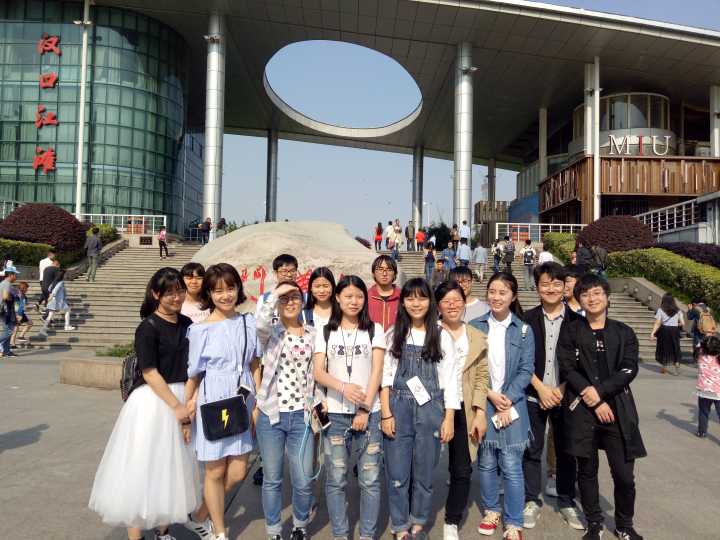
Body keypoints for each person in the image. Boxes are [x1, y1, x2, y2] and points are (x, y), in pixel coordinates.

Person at [89, 268, 200, 540]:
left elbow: (194, 367)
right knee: (142, 467)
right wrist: (177, 407)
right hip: (154, 402)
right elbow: (150, 372)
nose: (177, 297)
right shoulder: (148, 327)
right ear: (156, 294)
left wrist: (189, 402)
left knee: (172, 469)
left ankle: (163, 530)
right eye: (170, 292)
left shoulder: (188, 324)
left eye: (180, 290)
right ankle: (135, 534)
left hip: (182, 397)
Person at [558, 274, 646, 540]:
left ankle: (624, 524)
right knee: (587, 471)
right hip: (583, 410)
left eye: (597, 292)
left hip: (618, 410)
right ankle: (594, 522)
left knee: (624, 475)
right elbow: (567, 367)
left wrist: (601, 393)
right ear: (579, 299)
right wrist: (593, 398)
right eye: (585, 294)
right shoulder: (571, 330)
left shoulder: (624, 332)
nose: (591, 298)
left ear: (607, 296)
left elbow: (629, 368)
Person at [184, 264, 260, 540]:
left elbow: (255, 363)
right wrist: (186, 411)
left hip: (242, 398)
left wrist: (257, 402)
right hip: (213, 399)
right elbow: (194, 374)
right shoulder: (199, 330)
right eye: (218, 291)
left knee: (238, 471)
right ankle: (218, 530)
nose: (225, 295)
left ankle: (200, 515)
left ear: (238, 289)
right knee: (215, 470)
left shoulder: (248, 322)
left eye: (230, 288)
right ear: (209, 294)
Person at [381, 278, 460, 540]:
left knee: (425, 473)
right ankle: (400, 525)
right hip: (398, 408)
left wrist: (449, 418)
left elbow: (451, 380)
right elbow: (385, 377)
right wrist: (386, 413)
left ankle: (418, 523)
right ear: (403, 302)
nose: (416, 303)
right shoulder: (394, 334)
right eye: (410, 298)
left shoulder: (442, 335)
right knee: (397, 473)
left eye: (422, 297)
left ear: (430, 302)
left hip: (431, 409)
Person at [313, 275, 385, 540]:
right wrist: (343, 387)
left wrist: (364, 409)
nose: (354, 301)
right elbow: (318, 372)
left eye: (359, 296)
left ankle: (367, 534)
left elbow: (377, 372)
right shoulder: (325, 331)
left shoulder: (374, 329)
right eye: (348, 296)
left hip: (369, 414)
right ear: (338, 298)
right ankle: (340, 534)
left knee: (370, 479)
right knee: (336, 479)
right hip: (335, 414)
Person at [469, 273, 534, 540]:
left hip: (512, 405)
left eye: (503, 292)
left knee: (511, 464)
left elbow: (526, 369)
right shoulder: (475, 326)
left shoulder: (524, 330)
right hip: (484, 403)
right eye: (492, 291)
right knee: (485, 462)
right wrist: (491, 396)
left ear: (513, 296)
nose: (496, 297)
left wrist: (506, 398)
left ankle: (514, 521)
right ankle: (491, 511)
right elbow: (470, 370)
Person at [253, 281, 319, 540]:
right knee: (272, 479)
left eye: (295, 297)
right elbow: (260, 322)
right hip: (272, 414)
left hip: (302, 416)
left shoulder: (314, 334)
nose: (290, 302)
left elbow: (320, 371)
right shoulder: (271, 333)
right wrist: (275, 293)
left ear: (303, 302)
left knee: (303, 479)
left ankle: (300, 525)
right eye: (284, 298)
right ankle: (274, 531)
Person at [521, 263, 583, 531]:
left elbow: (582, 363)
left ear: (565, 287)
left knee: (566, 450)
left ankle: (566, 500)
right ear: (537, 287)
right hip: (534, 395)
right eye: (545, 284)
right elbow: (520, 360)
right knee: (532, 450)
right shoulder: (526, 319)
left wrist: (560, 389)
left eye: (557, 283)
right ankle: (531, 499)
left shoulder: (577, 321)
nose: (551, 289)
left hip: (565, 396)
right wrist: (541, 389)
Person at [436, 281, 489, 540]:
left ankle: (452, 519)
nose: (452, 305)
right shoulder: (428, 333)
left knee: (462, 467)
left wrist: (480, 412)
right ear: (438, 306)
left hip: (464, 407)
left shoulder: (476, 336)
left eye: (457, 300)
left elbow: (481, 377)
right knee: (419, 464)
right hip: (433, 406)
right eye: (446, 301)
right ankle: (413, 516)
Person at [255, 254, 300, 324]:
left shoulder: (305, 297)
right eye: (284, 271)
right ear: (275, 273)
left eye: (292, 271)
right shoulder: (264, 299)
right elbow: (259, 324)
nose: (289, 275)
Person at [651, 293, 685, 375]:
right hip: (674, 330)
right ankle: (677, 363)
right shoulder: (678, 310)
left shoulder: (661, 310)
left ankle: (664, 367)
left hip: (664, 330)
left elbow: (657, 323)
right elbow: (683, 323)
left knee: (664, 347)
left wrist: (652, 333)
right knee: (675, 347)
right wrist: (676, 324)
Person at [695, 335, 720, 438]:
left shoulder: (700, 357)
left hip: (704, 391)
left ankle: (701, 432)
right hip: (718, 392)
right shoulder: (719, 359)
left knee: (703, 412)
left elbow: (698, 346)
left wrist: (704, 341)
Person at [38, 269, 75, 336]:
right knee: (67, 311)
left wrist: (50, 298)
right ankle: (67, 326)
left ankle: (43, 330)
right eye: (65, 274)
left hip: (54, 301)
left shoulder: (54, 282)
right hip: (58, 301)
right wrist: (50, 298)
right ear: (63, 275)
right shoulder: (60, 282)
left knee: (50, 316)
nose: (66, 276)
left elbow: (49, 289)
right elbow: (55, 291)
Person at [368, 255, 400, 332]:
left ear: (395, 274)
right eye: (380, 269)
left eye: (389, 269)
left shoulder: (403, 297)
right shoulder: (365, 297)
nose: (384, 273)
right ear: (373, 273)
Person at [0, 267, 19, 357]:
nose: (16, 277)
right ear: (11, 275)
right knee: (9, 331)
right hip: (4, 311)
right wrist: (11, 297)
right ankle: (6, 351)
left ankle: (6, 351)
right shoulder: (7, 284)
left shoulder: (3, 283)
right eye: (15, 275)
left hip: (4, 310)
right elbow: (5, 296)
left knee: (8, 330)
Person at [10, 281, 32, 348]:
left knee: (30, 323)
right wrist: (17, 314)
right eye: (26, 288)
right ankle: (12, 343)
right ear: (23, 288)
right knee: (16, 328)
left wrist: (32, 307)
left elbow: (25, 307)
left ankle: (20, 336)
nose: (27, 290)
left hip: (21, 312)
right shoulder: (17, 295)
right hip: (16, 313)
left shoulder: (24, 296)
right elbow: (16, 305)